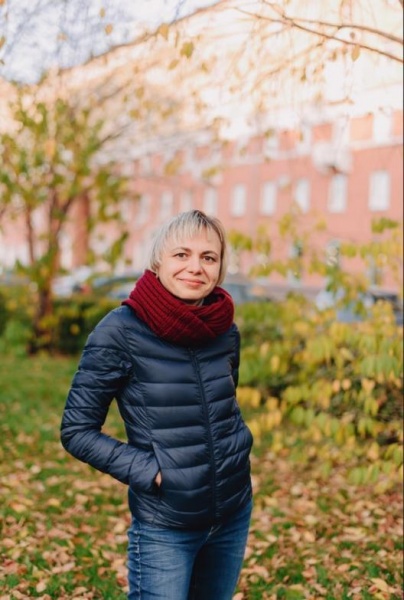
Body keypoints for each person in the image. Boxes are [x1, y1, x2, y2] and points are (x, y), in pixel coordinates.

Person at [60, 209, 253, 600]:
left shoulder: (224, 330)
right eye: (181, 254)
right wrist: (154, 472)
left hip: (233, 511)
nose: (195, 267)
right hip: (167, 523)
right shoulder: (120, 331)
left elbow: (222, 405)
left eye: (208, 257)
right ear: (158, 261)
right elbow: (76, 431)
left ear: (219, 268)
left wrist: (236, 452)